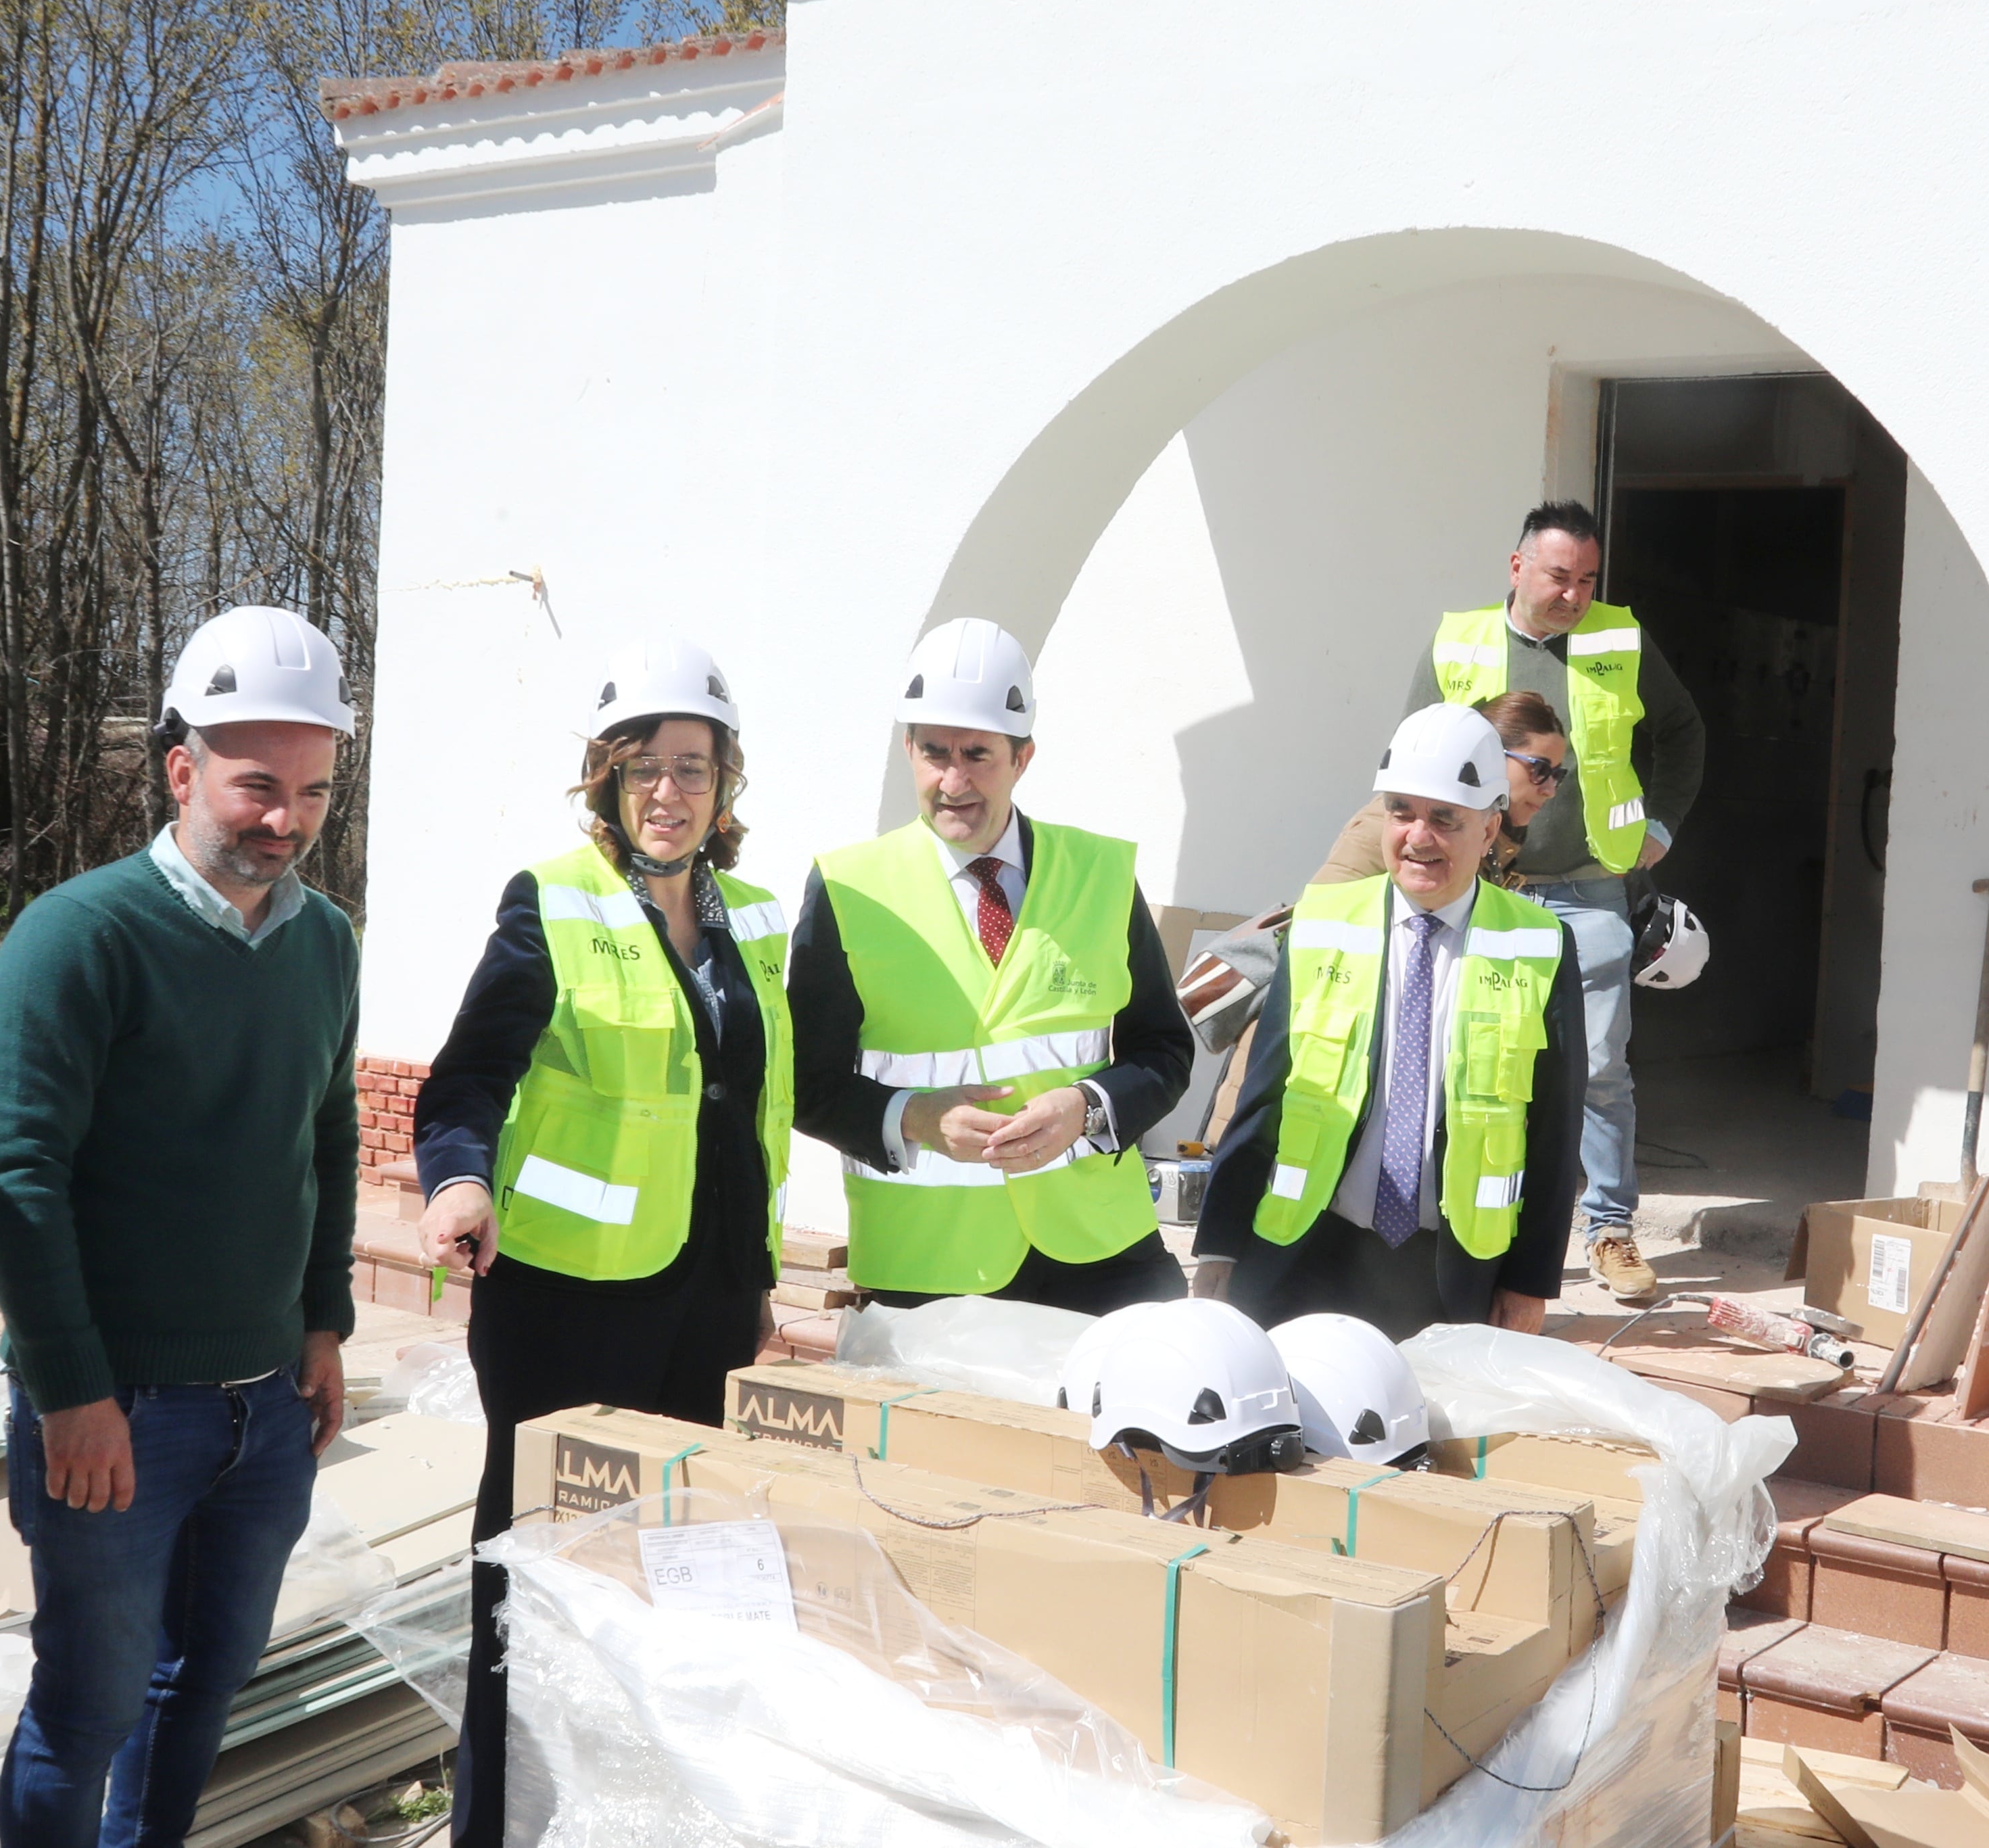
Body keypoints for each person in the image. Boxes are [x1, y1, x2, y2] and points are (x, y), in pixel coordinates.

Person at [0, 605, 362, 1848]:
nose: (284, 820)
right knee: (85, 1707)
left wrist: (325, 1322)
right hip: (119, 1415)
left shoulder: (325, 944)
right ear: (183, 771)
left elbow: (329, 1136)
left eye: (311, 791)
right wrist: (73, 1389)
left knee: (206, 1682)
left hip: (267, 1415)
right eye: (256, 787)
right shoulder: (80, 938)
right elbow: (13, 1176)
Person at [408, 638, 794, 1848]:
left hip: (709, 1301)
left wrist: (760, 1279)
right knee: (532, 1568)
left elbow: (750, 1105)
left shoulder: (757, 917)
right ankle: (496, 1821)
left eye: (692, 768)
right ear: (605, 781)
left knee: (680, 1564)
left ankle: (634, 1814)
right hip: (567, 1303)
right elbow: (467, 1077)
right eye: (643, 771)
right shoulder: (553, 899)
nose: (669, 793)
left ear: (726, 785)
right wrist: (459, 1182)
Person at [790, 617, 1193, 1310]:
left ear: (1022, 757)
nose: (953, 780)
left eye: (977, 753)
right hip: (928, 1266)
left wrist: (1087, 1107)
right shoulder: (849, 888)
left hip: (1102, 1253)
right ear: (908, 750)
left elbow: (1162, 1049)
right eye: (934, 752)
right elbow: (801, 1079)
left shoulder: (1099, 873)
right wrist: (912, 1118)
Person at [1192, 703, 1585, 1338]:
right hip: (1307, 1250)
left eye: (1445, 819)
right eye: (1401, 811)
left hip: (1453, 1271)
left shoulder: (1539, 944)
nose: (1418, 836)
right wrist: (1219, 1248)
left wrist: (1530, 1283)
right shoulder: (1323, 922)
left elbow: (1554, 1131)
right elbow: (1263, 1102)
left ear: (1489, 830)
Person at [1406, 502, 1704, 1304]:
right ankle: (1454, 1214)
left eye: (1586, 579)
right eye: (1557, 576)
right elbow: (1415, 760)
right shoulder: (1459, 642)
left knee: (1600, 1064)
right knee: (1470, 1054)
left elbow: (1682, 729)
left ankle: (1608, 1229)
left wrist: (1663, 825)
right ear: (1516, 567)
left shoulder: (1618, 638)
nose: (1573, 594)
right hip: (1483, 888)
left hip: (1589, 885)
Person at [1311, 691, 1568, 887]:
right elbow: (1319, 920)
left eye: (1557, 775)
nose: (1550, 790)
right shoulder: (1382, 826)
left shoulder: (1499, 834)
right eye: (1539, 769)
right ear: (1490, 755)